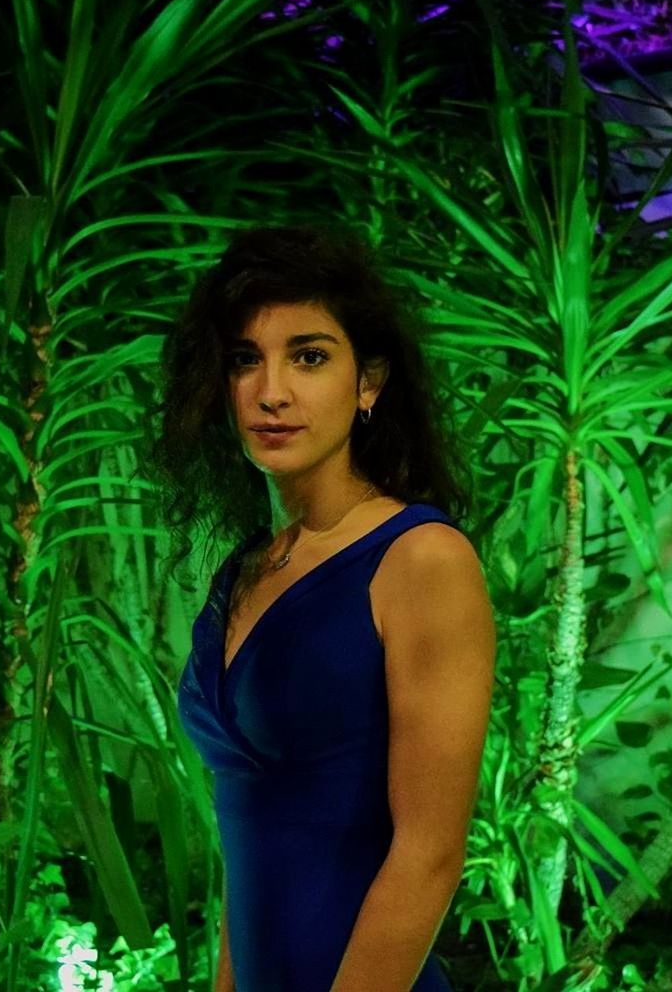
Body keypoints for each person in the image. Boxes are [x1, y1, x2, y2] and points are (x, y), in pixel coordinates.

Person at [144, 223, 496, 991]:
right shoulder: (245, 571)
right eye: (245, 360)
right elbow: (251, 843)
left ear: (368, 383)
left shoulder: (421, 559)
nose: (272, 391)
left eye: (309, 356)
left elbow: (429, 853)